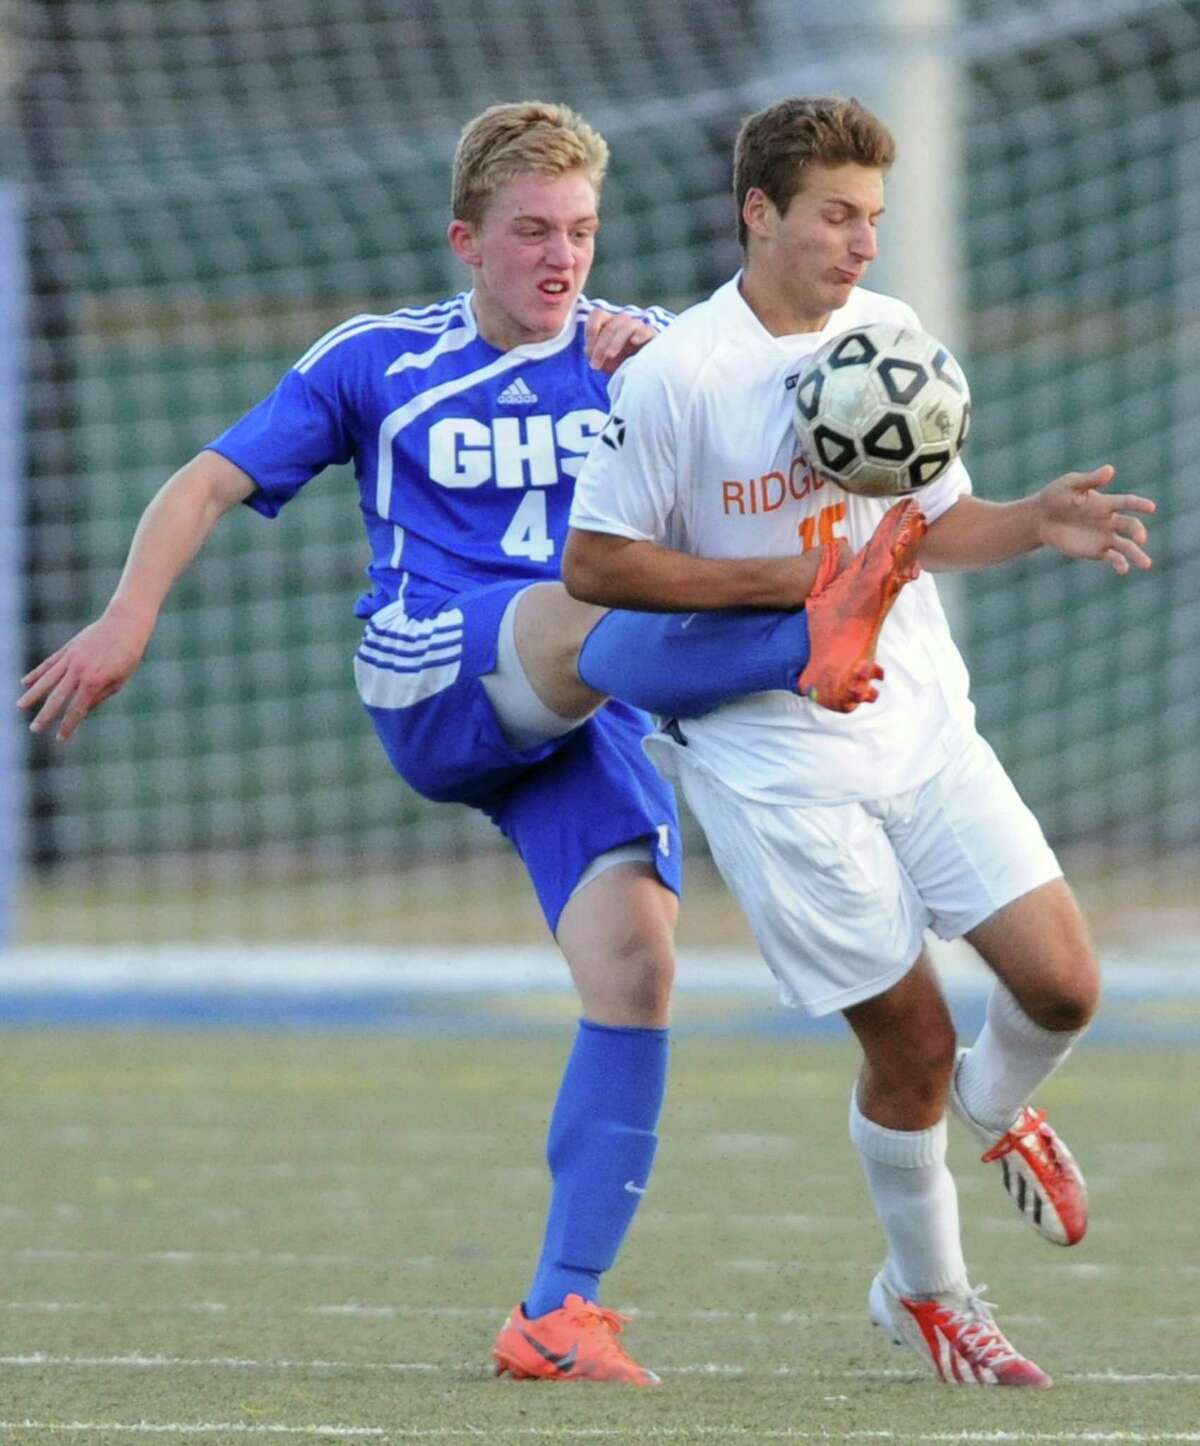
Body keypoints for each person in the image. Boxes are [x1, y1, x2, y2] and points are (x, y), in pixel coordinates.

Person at [18, 100, 924, 1387]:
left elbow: (780, 420)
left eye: (584, 233)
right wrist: (125, 617)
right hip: (435, 671)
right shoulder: (380, 360)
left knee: (638, 965)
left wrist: (701, 381)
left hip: (576, 701)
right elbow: (207, 478)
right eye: (533, 233)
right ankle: (805, 631)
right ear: (467, 240)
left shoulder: (645, 350)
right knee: (600, 598)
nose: (563, 259)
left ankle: (556, 1314)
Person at [563, 95, 1155, 1388]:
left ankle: (998, 1115)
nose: (861, 246)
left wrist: (1029, 520)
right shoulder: (681, 375)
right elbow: (596, 562)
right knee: (914, 1045)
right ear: (758, 212)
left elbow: (926, 526)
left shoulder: (893, 339)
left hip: (919, 714)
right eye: (837, 215)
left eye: (875, 220)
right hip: (777, 763)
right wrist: (791, 583)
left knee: (1062, 986)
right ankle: (929, 1290)